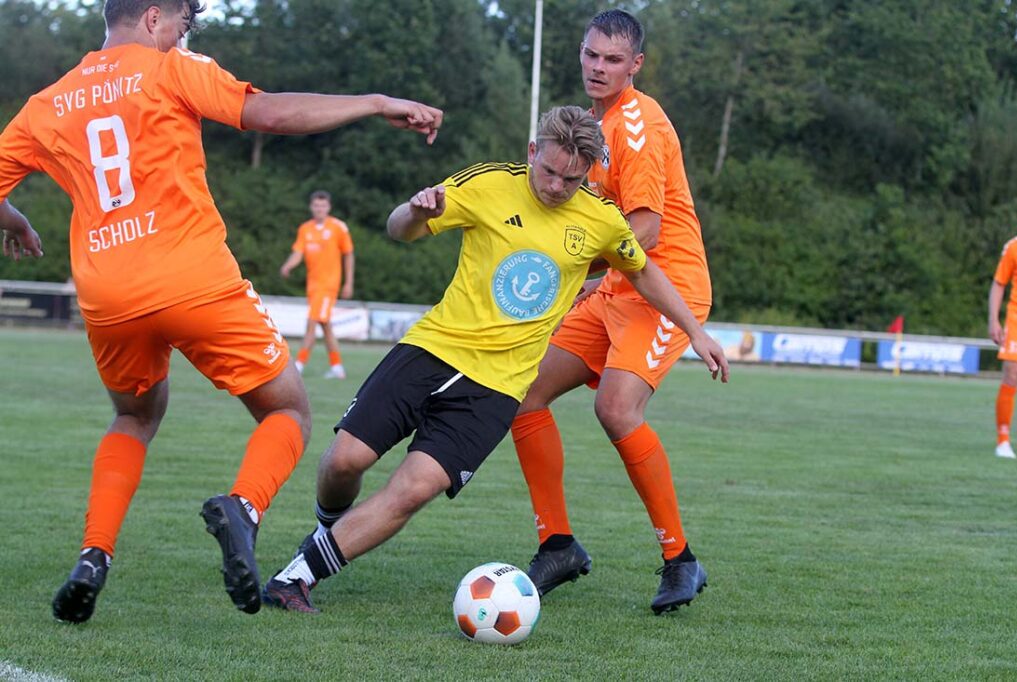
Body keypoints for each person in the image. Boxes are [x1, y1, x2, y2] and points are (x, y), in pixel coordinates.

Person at [0, 0, 442, 624]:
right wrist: (371, 101)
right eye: (183, 23)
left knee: (133, 417)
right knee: (287, 410)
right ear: (155, 17)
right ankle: (244, 506)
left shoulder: (48, 102)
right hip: (192, 278)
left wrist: (14, 217)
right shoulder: (171, 68)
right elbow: (268, 112)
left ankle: (94, 555)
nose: (183, 35)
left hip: (108, 294)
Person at [260, 105, 728, 613]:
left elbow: (644, 273)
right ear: (532, 152)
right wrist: (416, 211)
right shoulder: (487, 184)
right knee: (344, 461)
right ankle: (332, 528)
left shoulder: (600, 219)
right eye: (548, 171)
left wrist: (695, 331)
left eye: (571, 179)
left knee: (415, 487)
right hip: (431, 350)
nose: (555, 186)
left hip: (496, 388)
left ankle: (297, 577)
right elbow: (400, 229)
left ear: (588, 173)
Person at [510, 9, 716, 615]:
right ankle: (558, 545)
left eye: (613, 59)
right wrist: (592, 276)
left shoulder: (635, 124)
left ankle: (680, 559)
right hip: (618, 289)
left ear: (636, 65)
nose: (599, 68)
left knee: (616, 407)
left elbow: (647, 232)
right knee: (523, 393)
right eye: (591, 55)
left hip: (666, 287)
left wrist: (576, 264)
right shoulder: (594, 126)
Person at [280, 190, 355, 379]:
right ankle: (337, 368)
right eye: (316, 205)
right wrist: (288, 265)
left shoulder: (338, 227)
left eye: (323, 205)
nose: (319, 209)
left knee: (311, 325)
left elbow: (348, 254)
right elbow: (298, 252)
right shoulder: (305, 229)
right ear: (311, 207)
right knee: (325, 326)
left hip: (328, 286)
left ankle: (298, 365)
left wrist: (348, 283)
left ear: (328, 207)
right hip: (313, 286)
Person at [989, 234, 1017, 459]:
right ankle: (1003, 441)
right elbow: (999, 282)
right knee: (1011, 374)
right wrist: (993, 319)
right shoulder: (1014, 246)